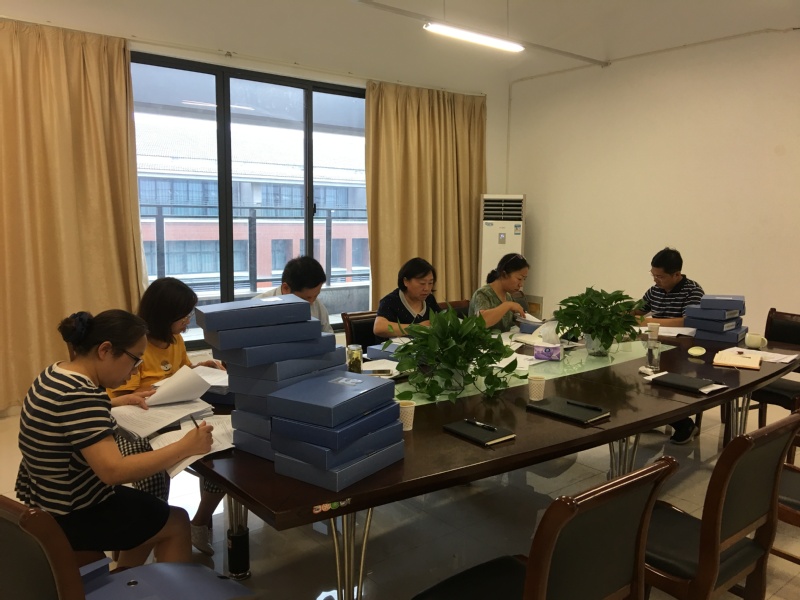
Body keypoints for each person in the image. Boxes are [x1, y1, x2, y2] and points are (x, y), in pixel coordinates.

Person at [15, 310, 213, 567]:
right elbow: (114, 471)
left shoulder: (55, 373)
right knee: (175, 521)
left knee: (150, 511)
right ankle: (154, 582)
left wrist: (114, 402)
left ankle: (128, 577)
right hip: (74, 512)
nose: (133, 372)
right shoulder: (81, 397)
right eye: (135, 360)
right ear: (105, 350)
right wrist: (185, 446)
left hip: (46, 497)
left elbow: (65, 414)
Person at [108, 277, 226, 555]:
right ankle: (151, 533)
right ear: (164, 315)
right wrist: (149, 391)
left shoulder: (175, 340)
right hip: (139, 419)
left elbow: (180, 374)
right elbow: (117, 395)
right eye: (183, 316)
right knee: (153, 476)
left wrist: (201, 367)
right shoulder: (135, 345)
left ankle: (200, 522)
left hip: (176, 412)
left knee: (219, 455)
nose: (187, 321)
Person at [634, 247, 705, 444]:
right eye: (653, 275)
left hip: (682, 350)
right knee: (638, 376)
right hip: (655, 344)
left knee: (664, 381)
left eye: (660, 277)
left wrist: (649, 322)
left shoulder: (693, 291)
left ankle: (684, 424)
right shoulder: (655, 290)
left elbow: (687, 321)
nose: (656, 281)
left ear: (676, 274)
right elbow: (637, 311)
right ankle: (652, 416)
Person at [255, 255, 334, 333]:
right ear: (286, 288)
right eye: (306, 298)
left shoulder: (317, 305)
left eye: (316, 296)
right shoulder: (257, 309)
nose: (311, 303)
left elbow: (328, 335)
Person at [374, 257, 441, 338]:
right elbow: (379, 328)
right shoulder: (390, 301)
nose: (427, 288)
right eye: (422, 283)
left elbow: (442, 322)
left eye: (430, 283)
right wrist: (416, 328)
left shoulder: (429, 299)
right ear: (405, 281)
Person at [469, 253, 529, 332]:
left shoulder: (508, 296)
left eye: (524, 279)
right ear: (504, 274)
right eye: (519, 279)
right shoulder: (482, 294)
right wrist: (507, 305)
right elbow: (482, 321)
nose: (521, 284)